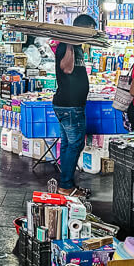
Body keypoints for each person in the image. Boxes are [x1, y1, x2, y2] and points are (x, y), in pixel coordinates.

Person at [53, 14, 97, 198]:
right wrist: (69, 42)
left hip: (69, 105)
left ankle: (66, 184)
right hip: (70, 106)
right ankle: (65, 186)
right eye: (91, 30)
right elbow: (67, 68)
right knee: (76, 145)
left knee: (67, 145)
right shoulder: (66, 45)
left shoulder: (79, 47)